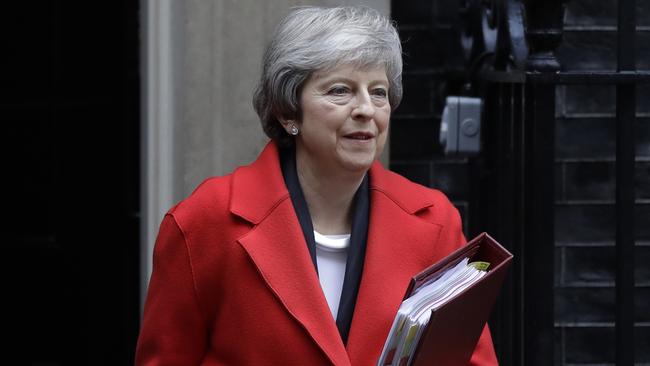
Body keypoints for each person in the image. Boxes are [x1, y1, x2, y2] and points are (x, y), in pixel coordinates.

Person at [135, 6, 498, 365]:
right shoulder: (205, 222)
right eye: (340, 91)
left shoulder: (435, 222)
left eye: (378, 92)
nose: (365, 109)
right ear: (289, 112)